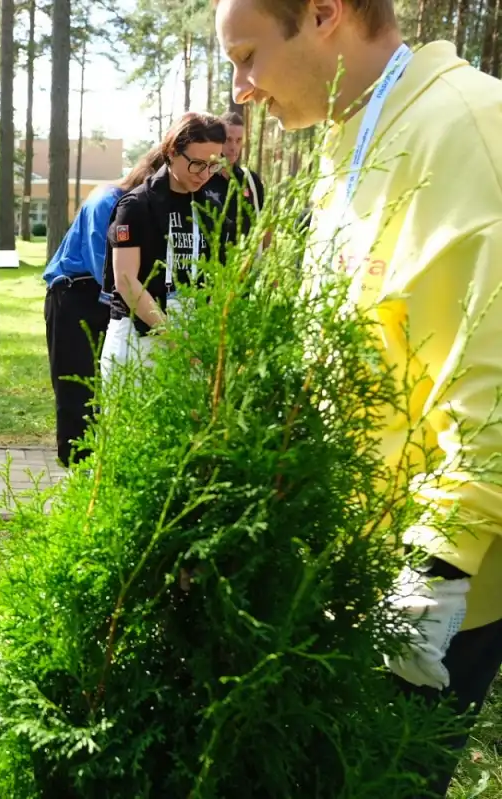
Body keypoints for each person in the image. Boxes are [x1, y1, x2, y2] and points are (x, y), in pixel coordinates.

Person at [215, 0, 502, 792]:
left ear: (323, 13)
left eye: (247, 55)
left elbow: (491, 369)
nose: (241, 90)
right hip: (347, 568)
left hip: (427, 593)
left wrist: (436, 566)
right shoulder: (350, 138)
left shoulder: (467, 128)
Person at [42, 153, 161, 466]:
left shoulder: (144, 208)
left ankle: (103, 465)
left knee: (109, 386)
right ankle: (77, 468)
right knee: (76, 391)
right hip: (74, 296)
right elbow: (106, 269)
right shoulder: (107, 201)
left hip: (106, 300)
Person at [98, 112, 230, 380]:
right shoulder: (135, 206)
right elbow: (126, 281)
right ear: (172, 152)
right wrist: (174, 337)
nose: (205, 174)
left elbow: (217, 280)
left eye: (213, 165)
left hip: (192, 342)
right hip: (138, 340)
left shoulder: (212, 210)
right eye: (197, 164)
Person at [217, 111, 265, 215]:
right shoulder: (201, 180)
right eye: (228, 140)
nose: (233, 147)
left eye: (238, 140)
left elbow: (261, 220)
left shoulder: (251, 180)